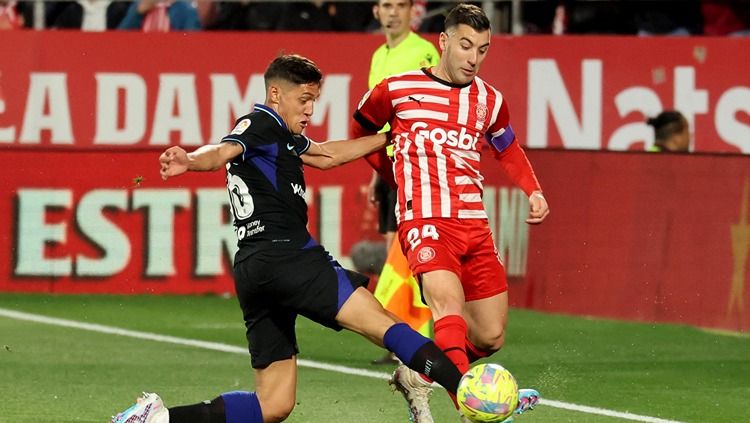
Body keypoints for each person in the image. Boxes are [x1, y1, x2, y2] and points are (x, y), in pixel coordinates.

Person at [110, 54, 466, 423]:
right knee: (386, 325)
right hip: (290, 257)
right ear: (276, 94)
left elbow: (327, 155)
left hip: (254, 269)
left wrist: (390, 136)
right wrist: (193, 160)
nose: (311, 109)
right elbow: (222, 151)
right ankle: (469, 394)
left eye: (314, 100)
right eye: (305, 99)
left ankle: (158, 419)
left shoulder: (282, 135)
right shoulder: (260, 122)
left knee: (274, 403)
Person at [351, 4, 548, 422]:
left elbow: (507, 147)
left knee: (490, 335)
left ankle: (421, 373)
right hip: (425, 220)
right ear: (443, 42)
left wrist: (533, 190)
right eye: (465, 46)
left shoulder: (490, 101)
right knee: (448, 307)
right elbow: (361, 131)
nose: (473, 58)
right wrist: (393, 172)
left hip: (474, 224)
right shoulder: (398, 89)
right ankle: (472, 408)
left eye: (482, 49)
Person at [367, 0, 440, 366]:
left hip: (412, 164)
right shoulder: (378, 56)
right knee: (392, 248)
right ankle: (398, 332)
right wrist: (374, 172)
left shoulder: (423, 52)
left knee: (417, 251)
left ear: (412, 11)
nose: (392, 12)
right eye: (386, 5)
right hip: (388, 165)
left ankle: (421, 336)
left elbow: (434, 105)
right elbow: (379, 121)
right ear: (376, 11)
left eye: (400, 5)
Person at [117, 0, 200, 31]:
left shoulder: (185, 9)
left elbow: (192, 40)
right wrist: (138, 12)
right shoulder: (137, 7)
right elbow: (119, 40)